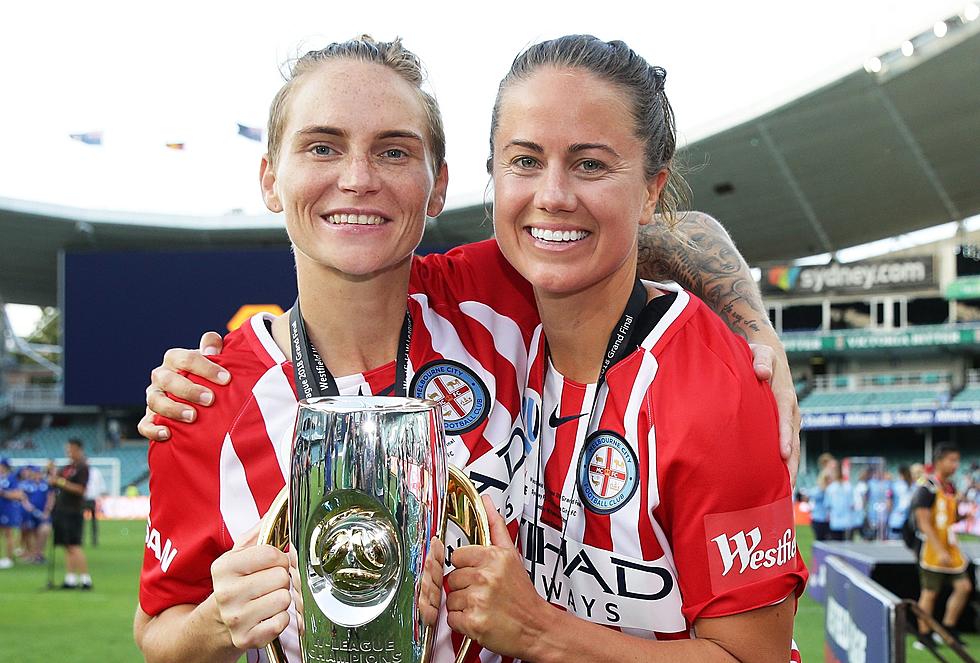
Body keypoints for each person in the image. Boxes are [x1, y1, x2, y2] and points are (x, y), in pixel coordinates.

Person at [136, 36, 803, 663]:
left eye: (395, 151)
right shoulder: (203, 399)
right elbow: (157, 630)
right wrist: (214, 622)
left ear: (442, 184)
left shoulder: (496, 295)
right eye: (321, 147)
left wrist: (748, 322)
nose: (359, 178)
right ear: (269, 179)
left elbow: (633, 224)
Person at [440, 36, 805, 661]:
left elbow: (753, 658)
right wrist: (217, 366)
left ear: (651, 189)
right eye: (524, 161)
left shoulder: (713, 388)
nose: (552, 195)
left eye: (591, 165)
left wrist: (534, 631)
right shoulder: (471, 302)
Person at [911, 444, 972, 646]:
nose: (956, 465)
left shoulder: (950, 487)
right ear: (940, 461)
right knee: (929, 593)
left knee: (964, 587)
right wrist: (938, 549)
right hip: (931, 549)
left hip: (950, 547)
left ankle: (948, 628)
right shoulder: (926, 486)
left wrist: (963, 513)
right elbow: (923, 521)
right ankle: (924, 634)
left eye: (957, 460)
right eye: (952, 460)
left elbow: (949, 517)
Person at [51, 438, 91, 589]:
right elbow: (54, 480)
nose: (69, 452)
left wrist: (60, 482)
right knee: (67, 545)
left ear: (78, 449)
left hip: (73, 511)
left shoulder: (82, 468)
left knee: (74, 545)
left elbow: (80, 489)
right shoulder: (66, 467)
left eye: (71, 449)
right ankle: (70, 578)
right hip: (61, 510)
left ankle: (86, 579)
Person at [0, 458, 23, 568]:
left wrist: (3, 493)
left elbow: (18, 495)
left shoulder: (11, 478)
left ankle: (8, 558)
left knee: (8, 533)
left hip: (7, 509)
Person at [824, 463, 852, 541]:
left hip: (838, 521)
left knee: (837, 543)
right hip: (843, 521)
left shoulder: (831, 488)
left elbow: (827, 505)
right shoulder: (847, 486)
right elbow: (851, 505)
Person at [887, 465, 914, 540]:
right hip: (910, 521)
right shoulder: (913, 485)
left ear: (899, 473)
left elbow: (889, 502)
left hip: (896, 520)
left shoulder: (894, 485)